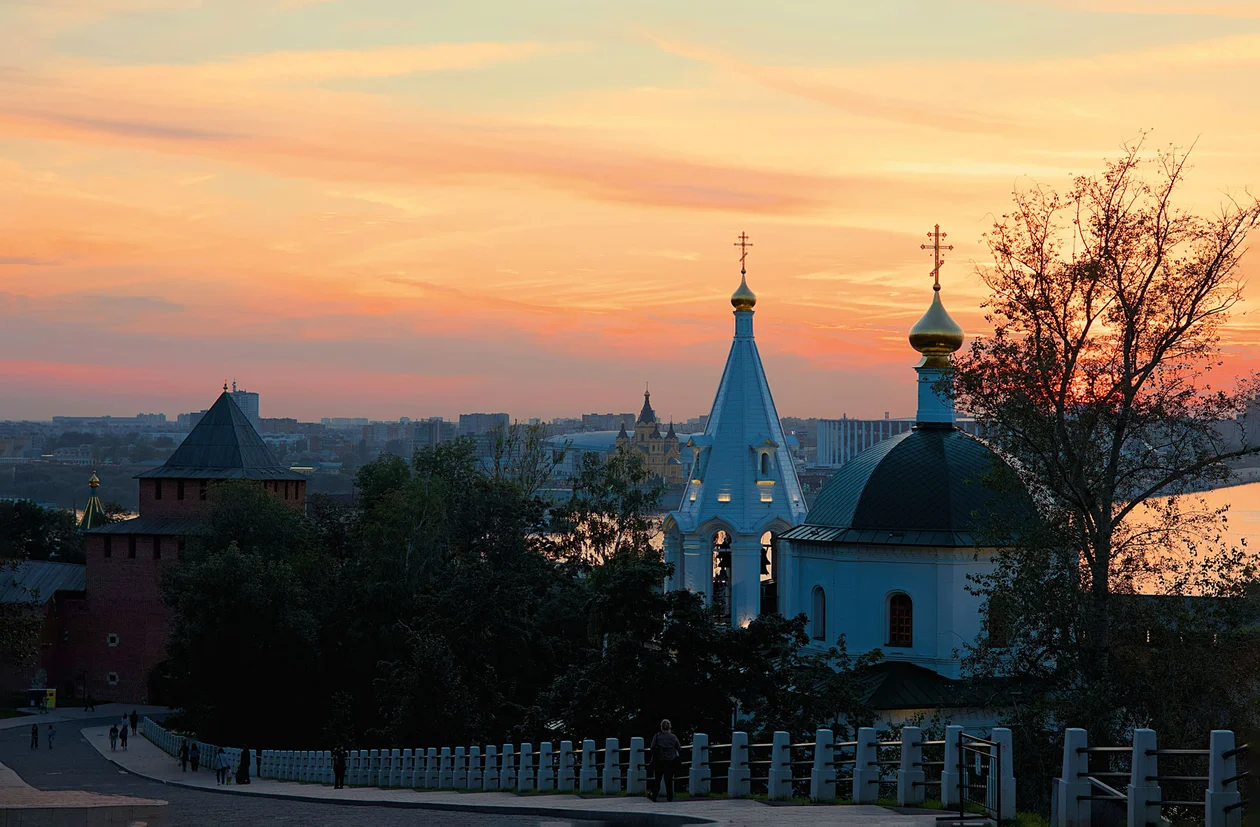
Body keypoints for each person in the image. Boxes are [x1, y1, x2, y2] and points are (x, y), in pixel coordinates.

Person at [647, 719, 681, 803]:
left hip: (659, 761)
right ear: (670, 727)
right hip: (670, 761)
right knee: (668, 780)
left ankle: (654, 796)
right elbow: (679, 748)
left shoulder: (657, 736)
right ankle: (670, 798)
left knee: (657, 779)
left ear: (661, 727)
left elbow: (652, 748)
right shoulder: (673, 737)